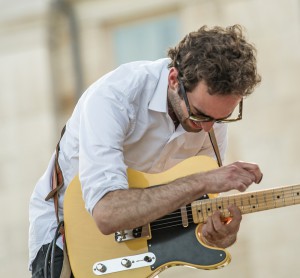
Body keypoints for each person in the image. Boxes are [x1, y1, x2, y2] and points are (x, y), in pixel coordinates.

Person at [29, 24, 262, 278]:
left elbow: (195, 210)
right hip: (69, 233)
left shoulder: (211, 121)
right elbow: (107, 214)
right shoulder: (115, 96)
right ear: (174, 80)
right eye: (199, 114)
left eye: (221, 118)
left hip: (139, 244)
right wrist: (204, 180)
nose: (207, 127)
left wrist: (221, 231)